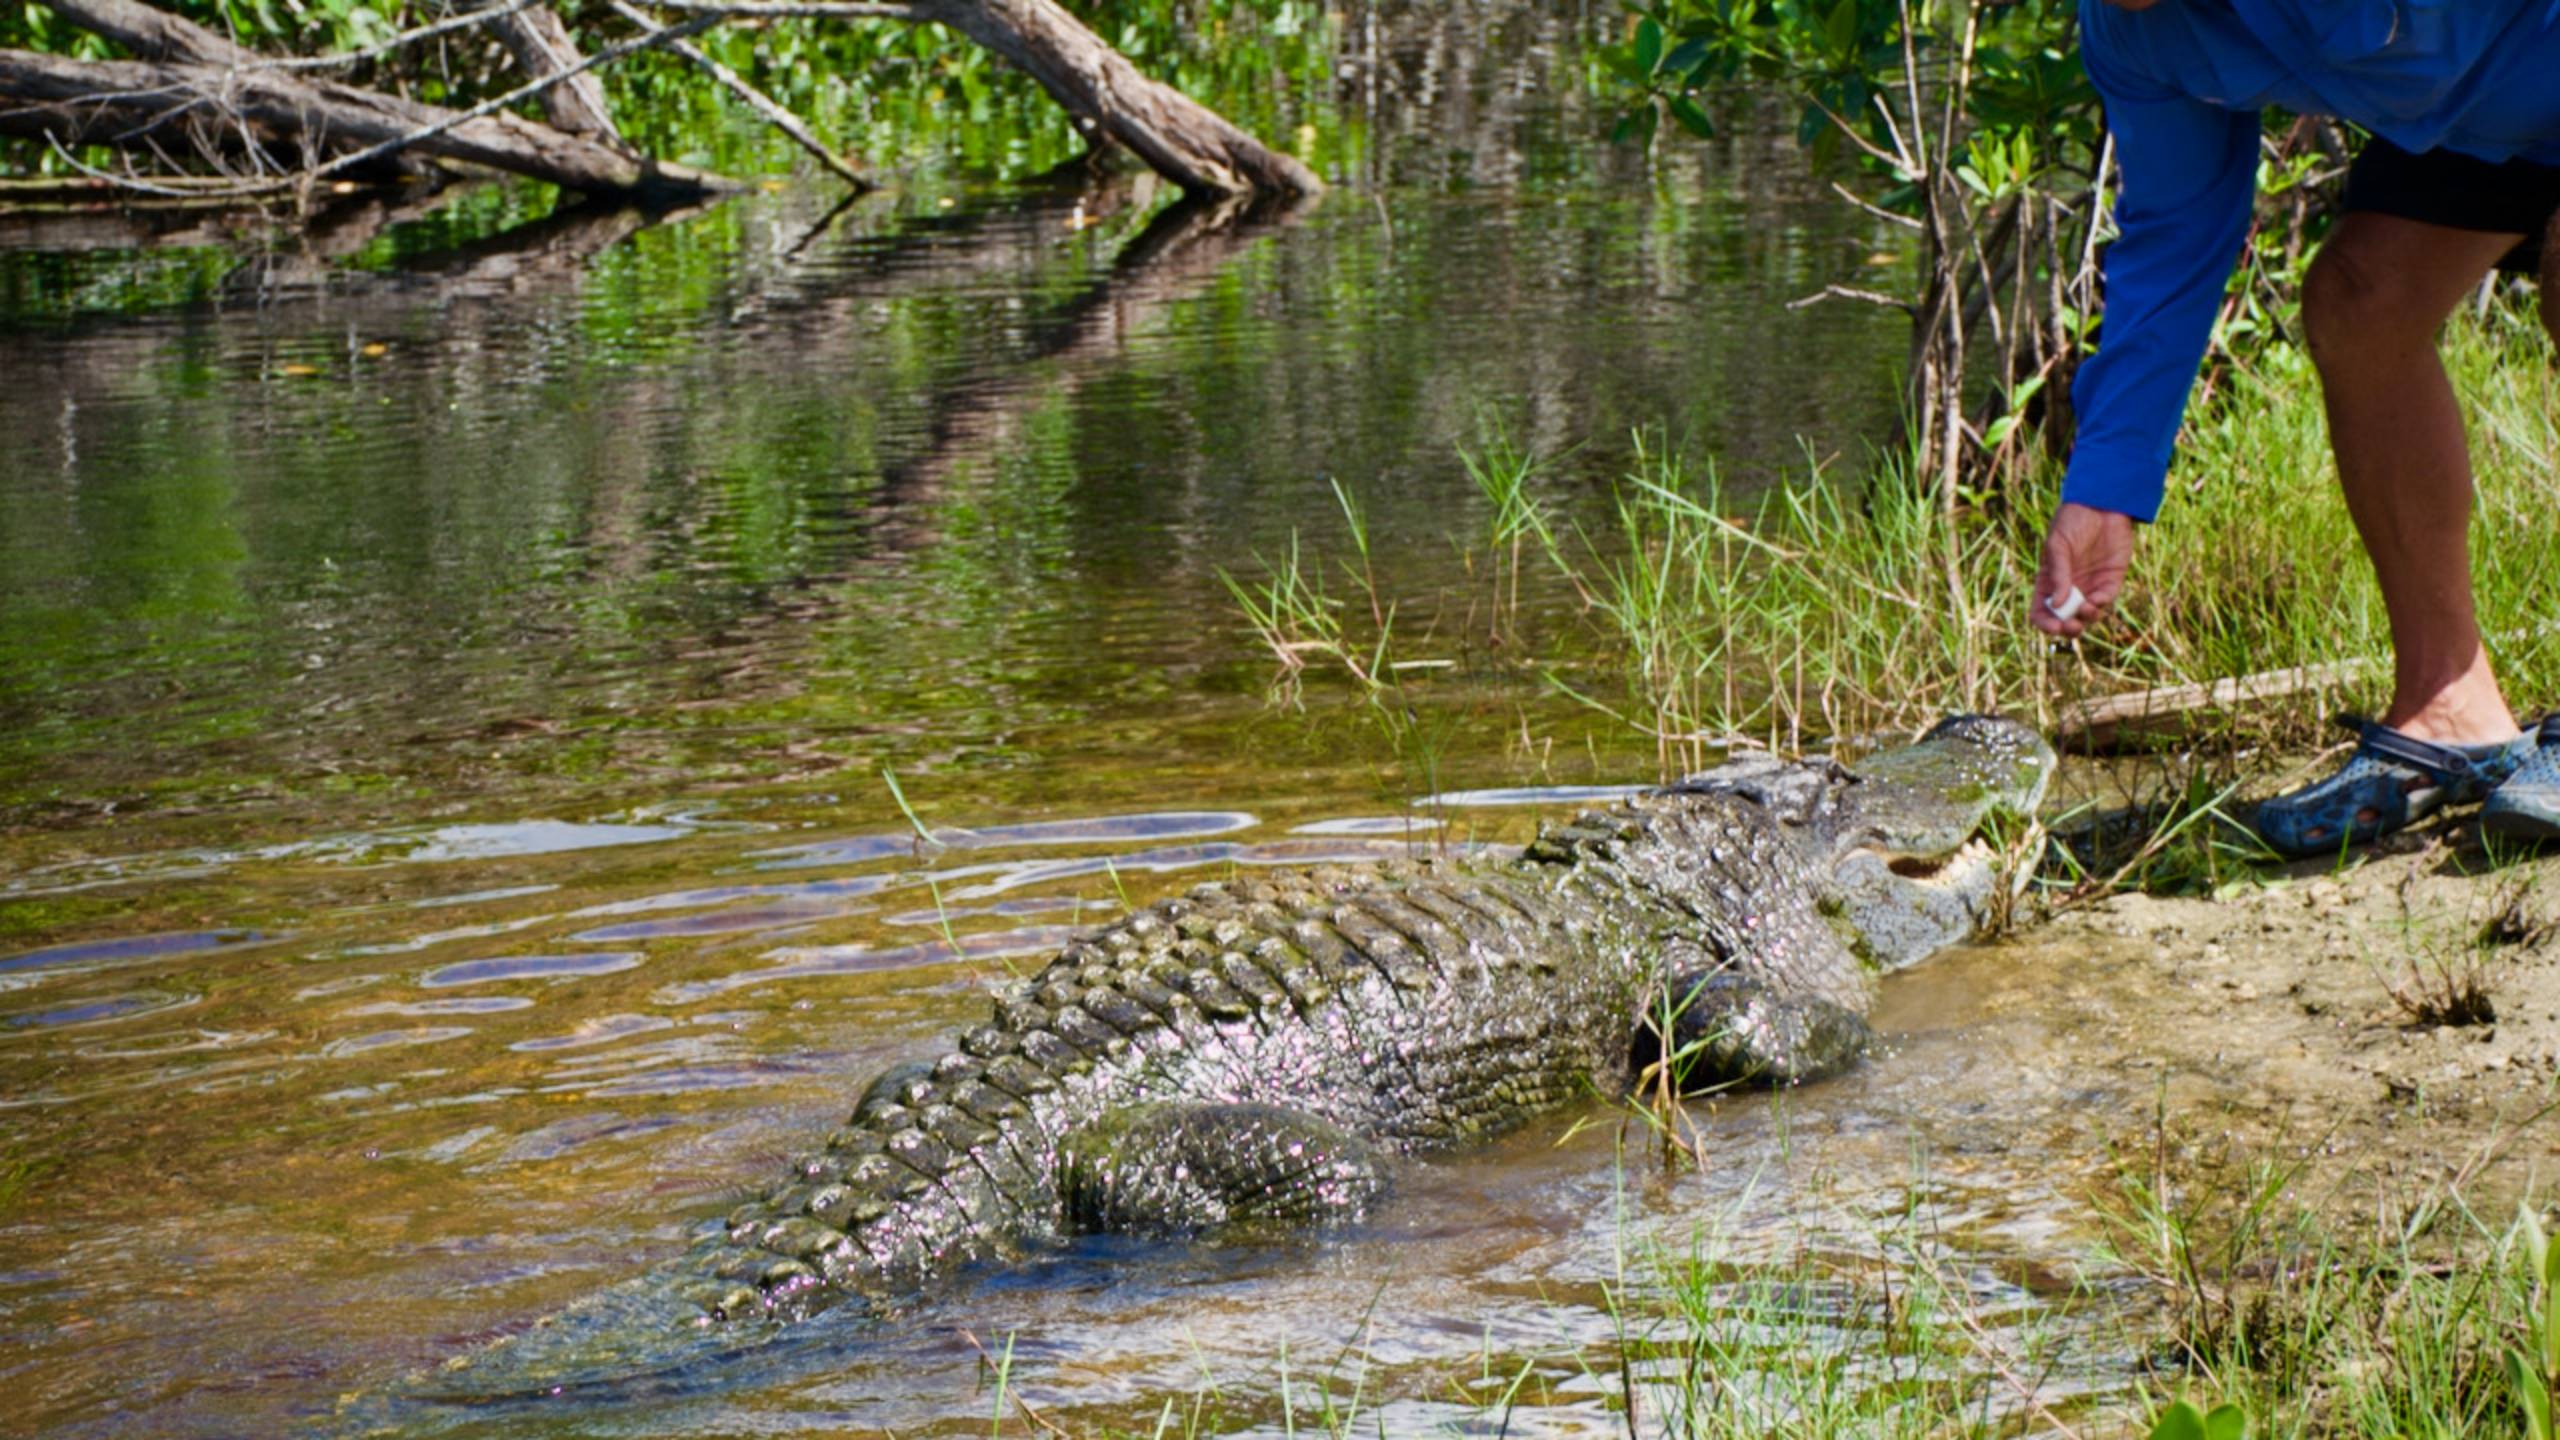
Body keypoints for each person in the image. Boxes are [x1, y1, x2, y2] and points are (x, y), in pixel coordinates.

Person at [2030, 0, 2560, 853]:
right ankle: (2450, 711)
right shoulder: (2134, 30)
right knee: (2364, 306)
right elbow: (2174, 233)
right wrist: (2104, 486)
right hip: (2501, 110)